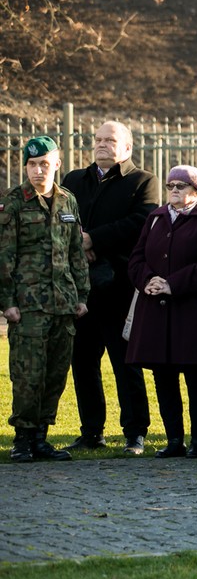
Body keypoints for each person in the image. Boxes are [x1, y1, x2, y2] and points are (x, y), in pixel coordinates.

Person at [63, 121, 157, 455]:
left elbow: (141, 221)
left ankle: (135, 432)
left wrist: (95, 239)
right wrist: (81, 241)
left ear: (127, 147)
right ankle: (91, 431)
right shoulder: (75, 179)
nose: (102, 145)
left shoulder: (142, 181)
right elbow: (63, 216)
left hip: (118, 285)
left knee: (125, 362)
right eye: (98, 140)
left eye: (111, 140)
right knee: (83, 362)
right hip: (81, 287)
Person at [126, 166, 197, 459]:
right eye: (171, 185)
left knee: (196, 375)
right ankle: (174, 439)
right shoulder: (156, 217)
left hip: (193, 310)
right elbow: (136, 257)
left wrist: (171, 284)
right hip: (155, 309)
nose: (174, 190)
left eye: (181, 186)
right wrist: (148, 280)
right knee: (163, 375)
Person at [0, 136, 89, 462]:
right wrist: (7, 301)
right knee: (27, 375)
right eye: (33, 164)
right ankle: (22, 439)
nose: (39, 170)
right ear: (25, 166)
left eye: (45, 164)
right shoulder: (13, 203)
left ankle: (41, 438)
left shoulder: (68, 201)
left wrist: (82, 295)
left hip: (63, 303)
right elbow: (3, 256)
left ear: (56, 164)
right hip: (28, 305)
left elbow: (76, 252)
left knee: (55, 374)